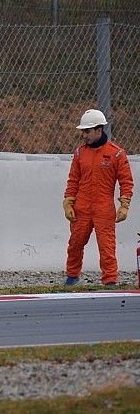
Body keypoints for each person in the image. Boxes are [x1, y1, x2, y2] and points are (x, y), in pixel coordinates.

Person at [63, 109, 133, 286]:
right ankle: (72, 277)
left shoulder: (117, 153)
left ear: (98, 130)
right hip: (82, 206)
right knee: (75, 243)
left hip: (103, 207)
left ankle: (110, 280)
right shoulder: (79, 153)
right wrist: (68, 201)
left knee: (106, 246)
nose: (83, 135)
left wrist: (124, 204)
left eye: (87, 131)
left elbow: (126, 181)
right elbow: (73, 179)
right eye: (83, 131)